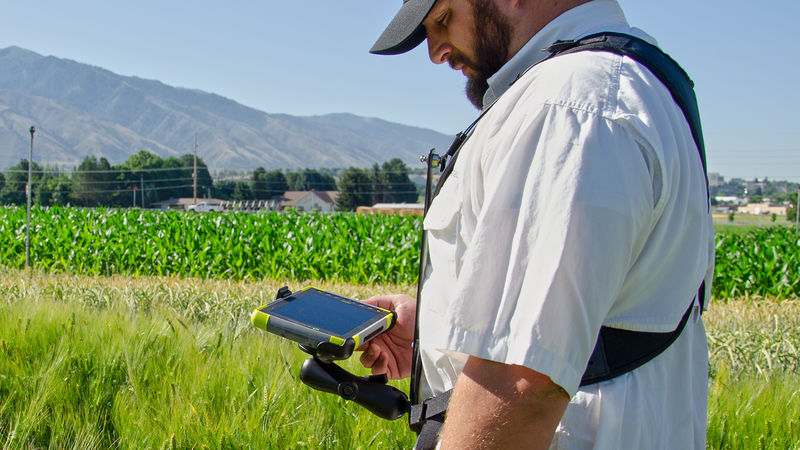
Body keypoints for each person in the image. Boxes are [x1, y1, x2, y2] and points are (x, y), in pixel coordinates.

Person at [360, 0, 715, 448]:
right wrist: (436, 332)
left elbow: (522, 384)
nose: (435, 51)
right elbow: (585, 326)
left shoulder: (570, 106)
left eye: (445, 17)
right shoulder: (621, 83)